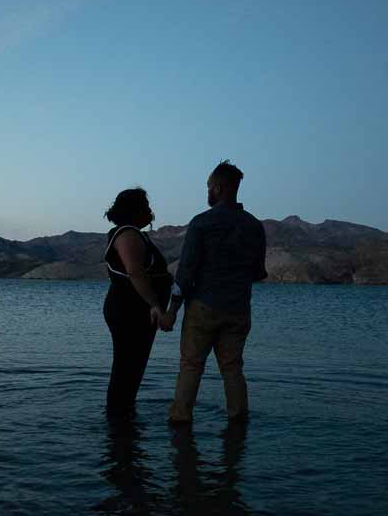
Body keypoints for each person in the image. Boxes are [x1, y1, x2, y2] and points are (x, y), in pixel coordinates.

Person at [158, 161, 268, 424]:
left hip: (203, 307)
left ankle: (180, 422)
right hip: (238, 309)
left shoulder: (202, 223)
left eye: (209, 186)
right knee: (232, 370)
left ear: (218, 188)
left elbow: (185, 273)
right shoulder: (254, 226)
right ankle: (238, 429)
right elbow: (258, 273)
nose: (207, 191)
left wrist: (171, 311)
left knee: (191, 366)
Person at [103, 188, 173, 417]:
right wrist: (155, 304)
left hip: (135, 310)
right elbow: (135, 272)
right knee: (127, 368)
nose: (150, 212)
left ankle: (123, 421)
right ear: (136, 210)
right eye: (146, 206)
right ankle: (119, 425)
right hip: (129, 310)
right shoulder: (128, 234)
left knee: (131, 368)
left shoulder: (133, 234)